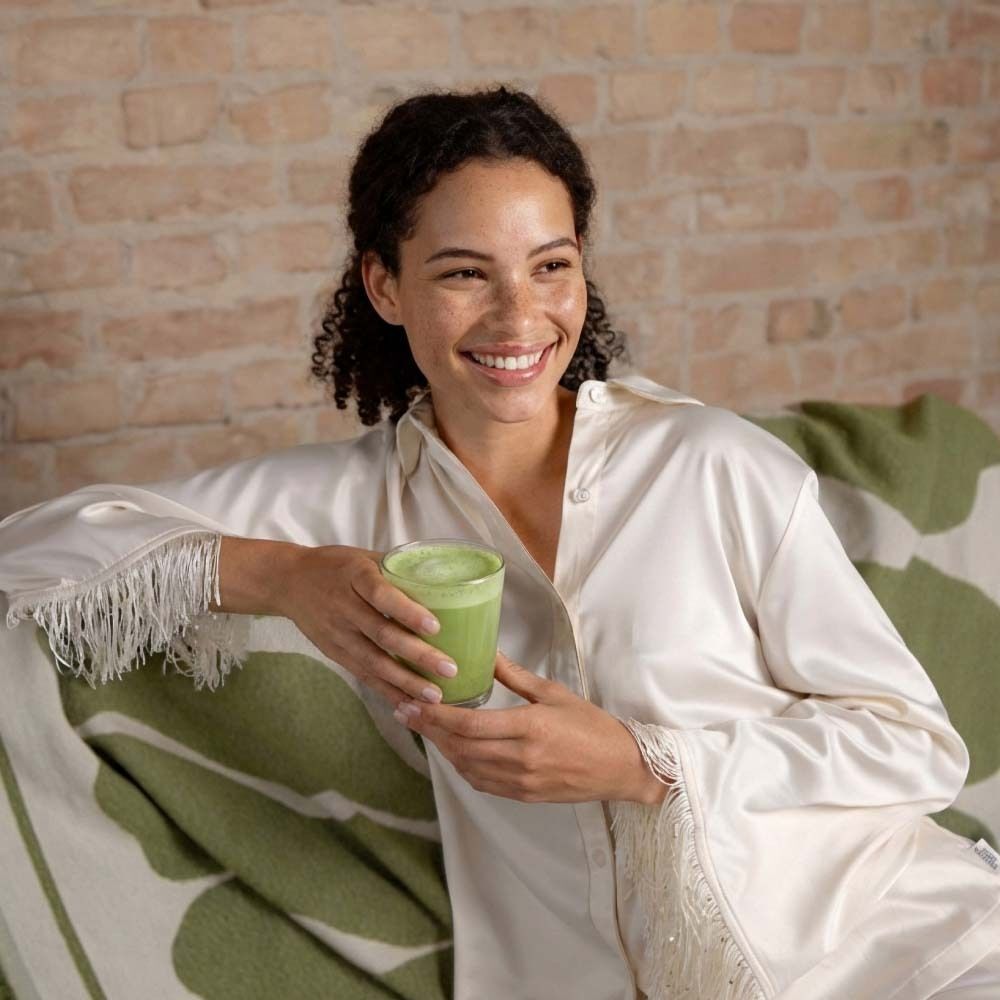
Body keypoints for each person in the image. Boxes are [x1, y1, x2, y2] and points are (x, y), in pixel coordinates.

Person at [1, 85, 999, 1000]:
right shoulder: (344, 505)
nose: (521, 316)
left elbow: (914, 746)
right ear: (384, 286)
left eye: (550, 266)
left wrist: (641, 762)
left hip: (893, 950)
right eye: (464, 274)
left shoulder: (708, 464)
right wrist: (282, 575)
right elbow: (30, 556)